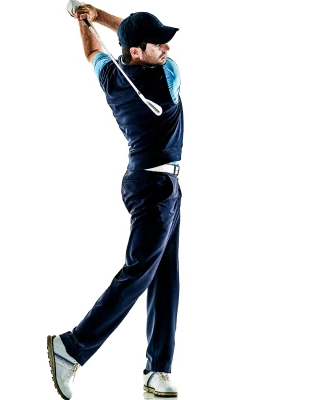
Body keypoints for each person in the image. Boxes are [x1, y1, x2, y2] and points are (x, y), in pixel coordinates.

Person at [47, 2, 184, 398]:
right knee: (139, 271)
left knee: (164, 275)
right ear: (137, 52)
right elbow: (120, 34)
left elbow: (93, 51)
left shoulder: (112, 76)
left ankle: (158, 369)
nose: (167, 49)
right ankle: (72, 347)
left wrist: (84, 18)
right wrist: (99, 15)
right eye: (158, 44)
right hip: (156, 188)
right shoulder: (167, 78)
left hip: (149, 182)